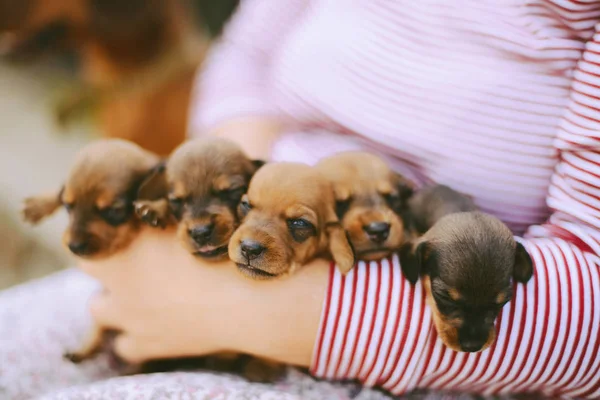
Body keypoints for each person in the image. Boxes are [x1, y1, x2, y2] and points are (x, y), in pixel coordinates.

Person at [2, 0, 600, 399]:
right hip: (190, 276)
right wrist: (235, 201)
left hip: (414, 354)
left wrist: (233, 310)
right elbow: (245, 57)